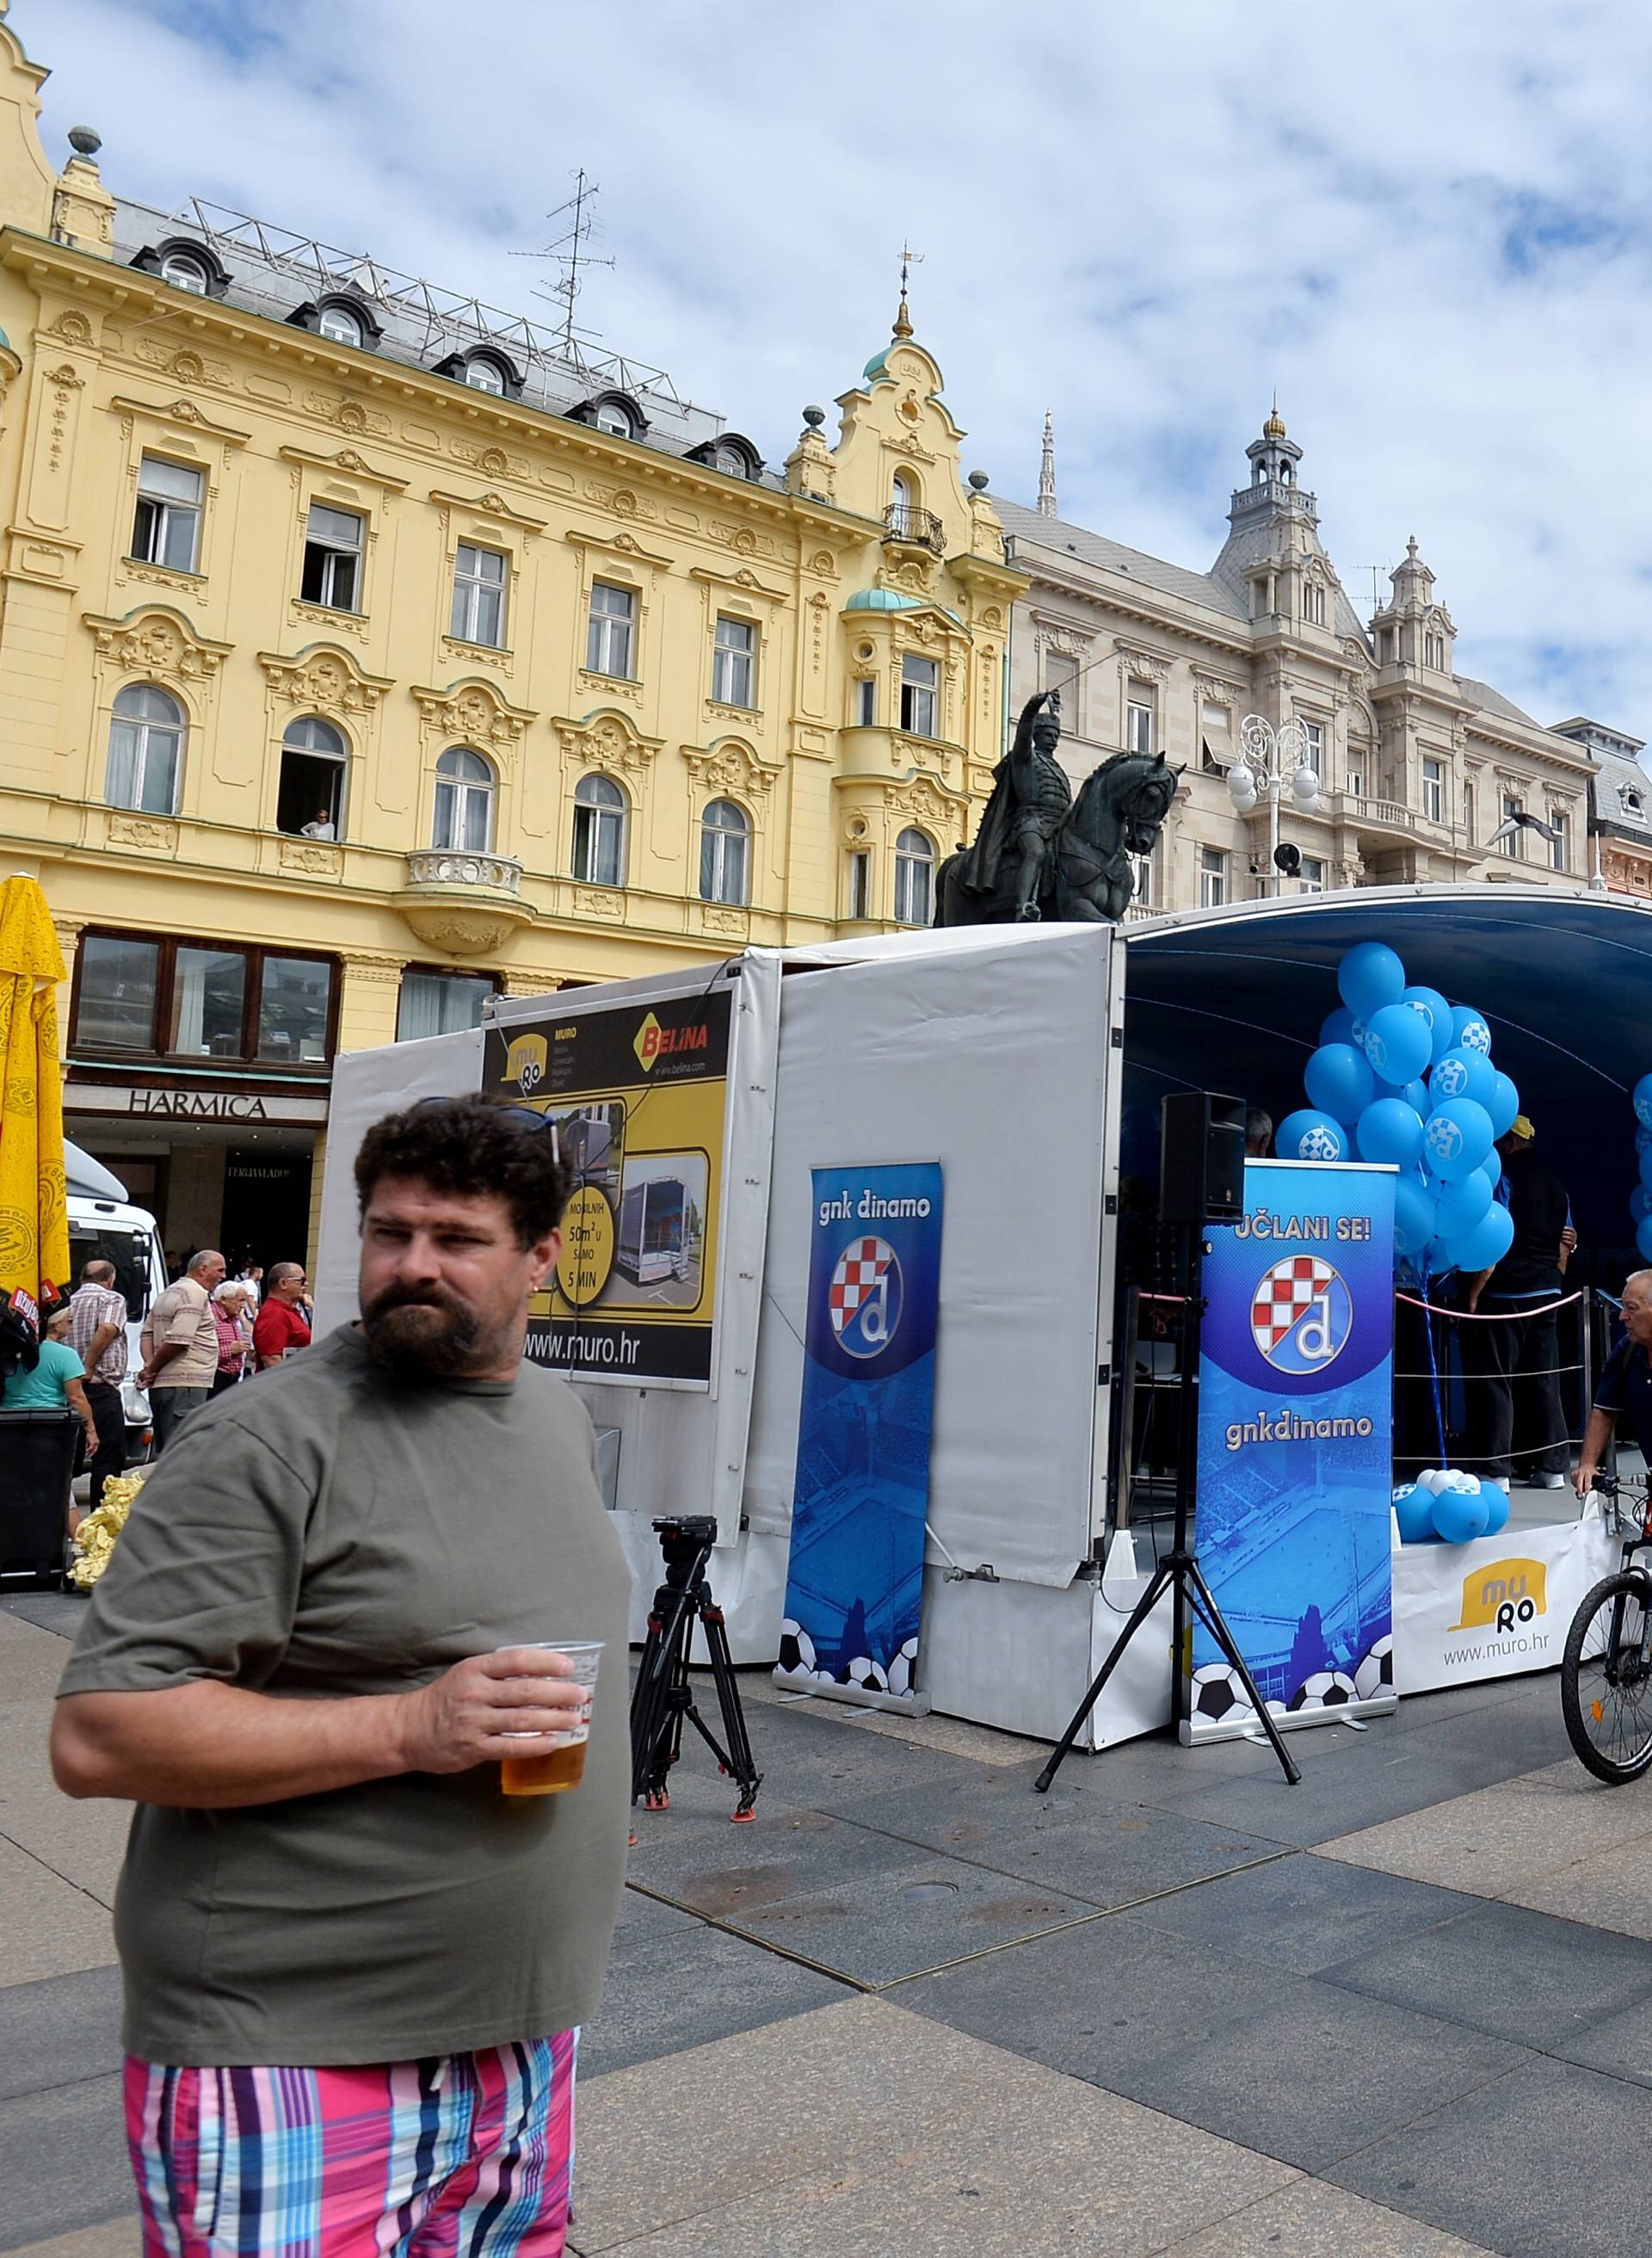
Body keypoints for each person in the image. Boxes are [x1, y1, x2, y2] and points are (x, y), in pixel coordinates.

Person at [51, 1096, 629, 2256]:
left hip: (518, 2046)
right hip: (291, 2047)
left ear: (543, 1259)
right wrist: (415, 1727)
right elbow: (99, 1737)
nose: (413, 1266)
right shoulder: (267, 1442)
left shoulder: (556, 1417)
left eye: (456, 1240)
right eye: (389, 1232)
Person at [1458, 1115, 1573, 1491]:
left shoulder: (1501, 1179)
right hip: (1547, 1291)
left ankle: (1495, 1471)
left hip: (1506, 1290)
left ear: (1508, 1142)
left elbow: (1495, 1239)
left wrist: (1474, 1293)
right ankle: (1553, 1468)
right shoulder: (1558, 1184)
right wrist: (1555, 1280)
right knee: (1544, 1380)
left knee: (1495, 1380)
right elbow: (1565, 1243)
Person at [4, 1303, 100, 1528]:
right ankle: (78, 1542)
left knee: (12, 1483)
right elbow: (76, 1397)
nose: (71, 1325)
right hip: (50, 1427)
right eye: (70, 1321)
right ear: (56, 1324)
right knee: (59, 1486)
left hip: (8, 1425)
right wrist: (91, 1430)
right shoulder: (65, 1355)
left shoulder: (8, 1351)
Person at [137, 1249, 225, 1452]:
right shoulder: (195, 1293)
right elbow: (179, 1340)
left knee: (167, 1449)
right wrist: (151, 1370)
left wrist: (150, 1366)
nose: (223, 1276)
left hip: (165, 1385)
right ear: (203, 1269)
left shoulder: (168, 1292)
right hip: (185, 1384)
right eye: (220, 1270)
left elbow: (147, 1334)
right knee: (182, 1450)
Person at [1575, 1268, 1652, 1496]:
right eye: (1623, 1306)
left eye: (1632, 1308)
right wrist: (1588, 1464)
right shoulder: (1627, 1350)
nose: (1622, 1316)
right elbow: (1605, 1411)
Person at [68, 1258, 129, 1510]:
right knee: (107, 1459)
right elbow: (107, 1328)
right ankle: (100, 1520)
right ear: (110, 1280)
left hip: (69, 1389)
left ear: (82, 1279)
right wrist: (89, 1365)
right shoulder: (111, 1299)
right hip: (100, 1387)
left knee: (69, 1459)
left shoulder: (68, 1303)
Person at [251, 1259, 312, 1368]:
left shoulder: (287, 1310)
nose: (306, 1285)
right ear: (283, 1283)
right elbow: (271, 1359)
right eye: (301, 1281)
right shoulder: (273, 1313)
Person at [209, 1280, 254, 1395]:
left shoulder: (233, 1318)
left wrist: (243, 1318)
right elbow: (201, 1353)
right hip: (215, 1379)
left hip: (233, 1379)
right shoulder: (209, 1317)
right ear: (224, 1300)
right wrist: (229, 1350)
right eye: (240, 1300)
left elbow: (250, 1335)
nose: (243, 1305)